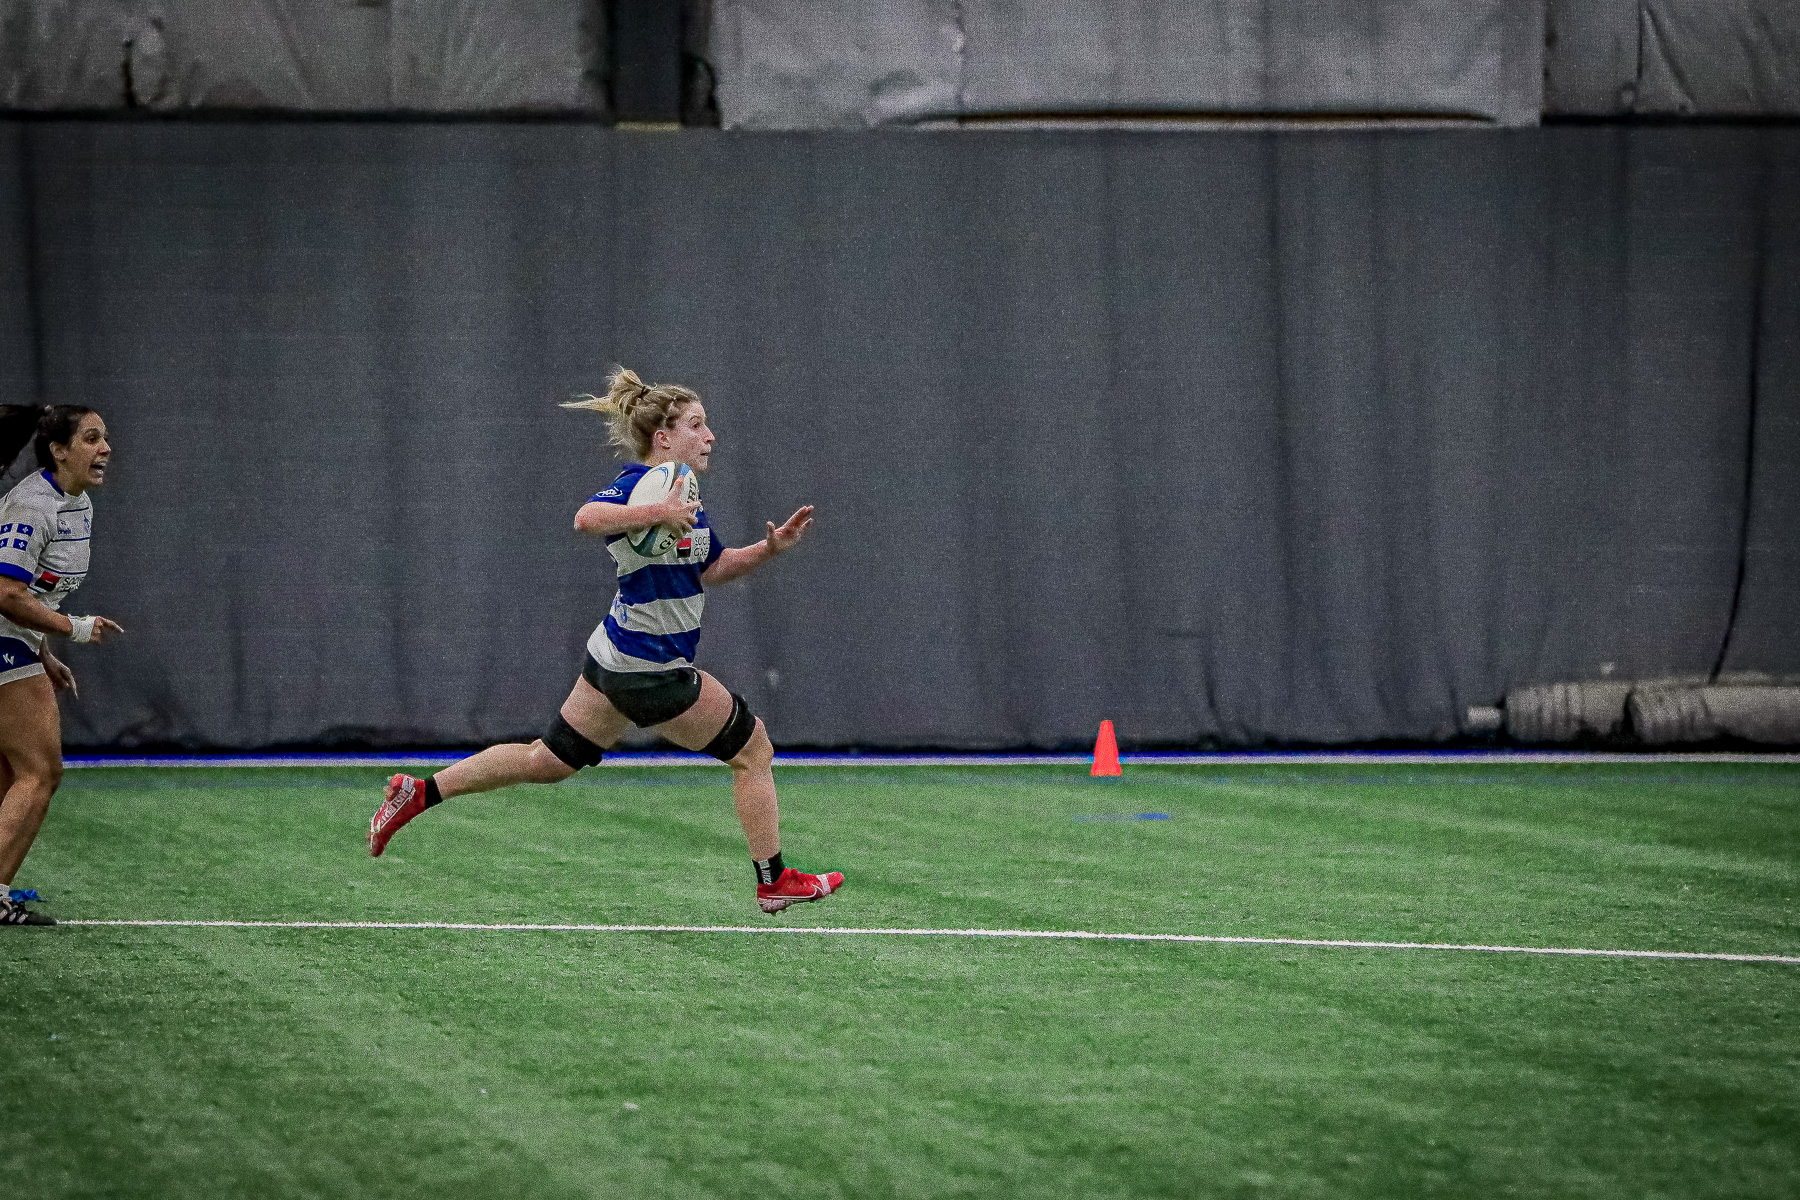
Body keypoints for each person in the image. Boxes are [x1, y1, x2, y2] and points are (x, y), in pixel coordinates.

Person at [368, 369, 843, 913]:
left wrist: (770, 548)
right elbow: (586, 518)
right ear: (663, 438)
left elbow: (709, 568)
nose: (710, 436)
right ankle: (773, 879)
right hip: (650, 666)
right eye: (696, 424)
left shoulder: (681, 489)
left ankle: (419, 792)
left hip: (613, 655)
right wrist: (656, 513)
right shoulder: (644, 486)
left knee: (547, 760)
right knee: (754, 750)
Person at [0, 406, 124, 927]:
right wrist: (71, 629)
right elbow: (5, 592)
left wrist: (44, 652)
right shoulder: (31, 506)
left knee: (11, 775)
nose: (105, 448)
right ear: (59, 449)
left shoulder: (78, 504)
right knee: (40, 772)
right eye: (91, 438)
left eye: (106, 438)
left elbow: (32, 590)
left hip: (18, 643)